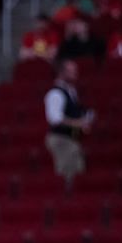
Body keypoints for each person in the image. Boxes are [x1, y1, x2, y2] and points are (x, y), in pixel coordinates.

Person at [44, 61, 93, 191]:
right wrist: (78, 123)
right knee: (68, 173)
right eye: (71, 71)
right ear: (61, 73)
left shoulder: (71, 92)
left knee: (77, 170)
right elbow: (55, 118)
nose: (75, 74)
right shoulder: (55, 93)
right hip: (61, 139)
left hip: (71, 138)